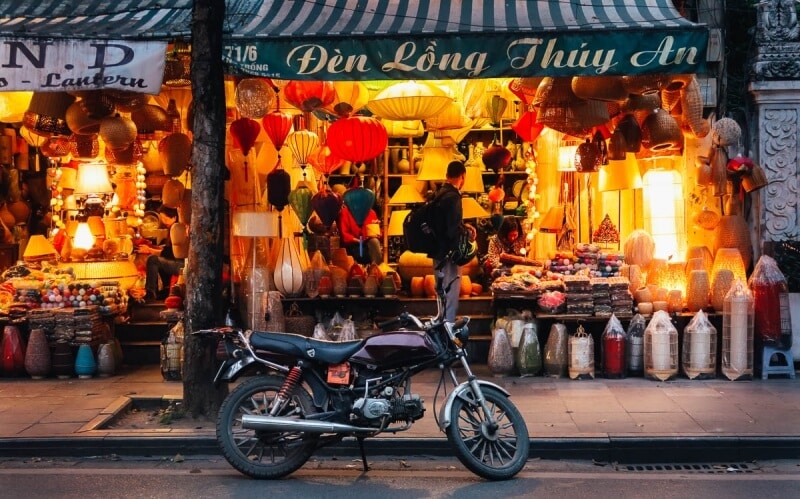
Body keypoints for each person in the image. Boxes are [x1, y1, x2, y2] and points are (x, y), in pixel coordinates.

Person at [429, 160, 476, 323]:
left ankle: (441, 325)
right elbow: (451, 229)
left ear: (447, 175)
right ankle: (448, 329)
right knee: (451, 290)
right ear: (462, 176)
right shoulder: (454, 196)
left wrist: (463, 225)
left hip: (437, 250)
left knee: (441, 290)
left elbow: (443, 223)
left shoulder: (438, 193)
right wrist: (463, 238)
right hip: (450, 253)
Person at [138, 205, 185, 301]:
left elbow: (170, 253)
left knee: (153, 259)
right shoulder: (171, 229)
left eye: (165, 218)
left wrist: (150, 250)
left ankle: (150, 292)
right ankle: (159, 291)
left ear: (174, 217)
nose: (163, 221)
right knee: (157, 261)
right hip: (175, 262)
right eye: (162, 218)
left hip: (182, 264)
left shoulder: (176, 229)